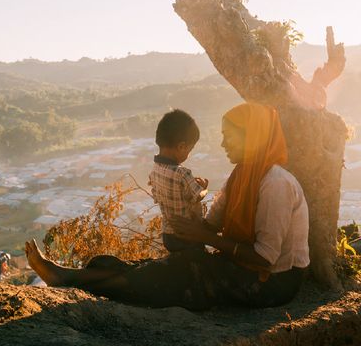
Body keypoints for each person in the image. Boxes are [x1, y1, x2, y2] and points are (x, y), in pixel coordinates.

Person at [25, 102, 310, 310]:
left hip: (271, 282)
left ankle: (75, 282)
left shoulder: (275, 183)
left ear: (253, 137)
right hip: (242, 267)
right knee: (157, 265)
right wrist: (191, 226)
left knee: (173, 274)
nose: (222, 143)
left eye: (229, 135)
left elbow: (266, 257)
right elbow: (213, 222)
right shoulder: (242, 175)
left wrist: (206, 238)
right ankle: (66, 275)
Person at [148, 109, 208, 252]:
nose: (188, 154)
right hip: (188, 235)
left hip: (168, 235)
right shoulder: (182, 174)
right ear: (181, 146)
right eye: (190, 149)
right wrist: (205, 188)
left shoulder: (154, 171)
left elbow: (157, 197)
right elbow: (197, 196)